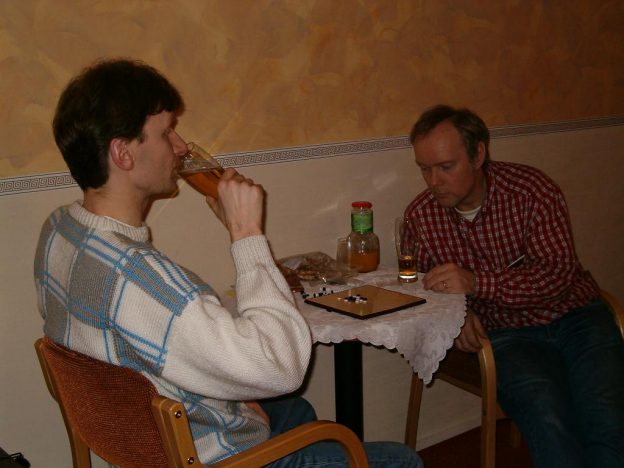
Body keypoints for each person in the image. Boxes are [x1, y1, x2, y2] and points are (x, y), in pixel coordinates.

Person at [34, 58, 422, 467]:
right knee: (402, 460)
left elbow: (142, 353)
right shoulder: (142, 280)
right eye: (166, 133)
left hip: (144, 433)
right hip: (209, 457)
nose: (180, 147)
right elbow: (283, 367)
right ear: (123, 152)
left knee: (296, 411)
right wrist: (246, 234)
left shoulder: (60, 231)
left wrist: (230, 395)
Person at [404, 104, 624, 468]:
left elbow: (557, 276)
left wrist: (477, 283)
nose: (433, 181)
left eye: (446, 167)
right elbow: (421, 289)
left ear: (478, 155)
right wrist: (458, 316)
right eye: (424, 168)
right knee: (547, 414)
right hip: (507, 334)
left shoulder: (532, 191)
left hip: (576, 315)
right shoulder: (421, 217)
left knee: (607, 415)